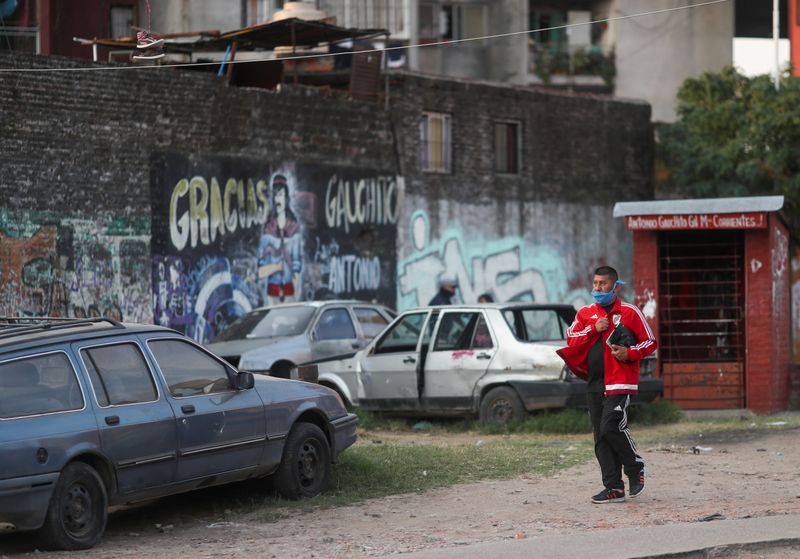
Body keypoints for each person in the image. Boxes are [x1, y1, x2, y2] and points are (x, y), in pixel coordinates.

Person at [556, 265, 657, 504]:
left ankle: (635, 467)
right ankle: (613, 488)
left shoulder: (630, 312)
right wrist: (593, 328)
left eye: (603, 284)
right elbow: (571, 338)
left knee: (611, 425)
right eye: (595, 284)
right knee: (600, 436)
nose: (598, 288)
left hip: (620, 381)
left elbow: (650, 342)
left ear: (615, 286)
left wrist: (629, 353)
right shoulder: (586, 313)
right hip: (594, 383)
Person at [258, 174, 302, 305]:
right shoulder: (268, 230)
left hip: (290, 293)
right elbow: (260, 271)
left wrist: (295, 295)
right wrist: (277, 267)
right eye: (276, 195)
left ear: (286, 198)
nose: (278, 198)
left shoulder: (294, 228)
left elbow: (297, 265)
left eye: (281, 194)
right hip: (272, 293)